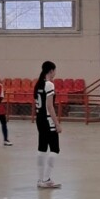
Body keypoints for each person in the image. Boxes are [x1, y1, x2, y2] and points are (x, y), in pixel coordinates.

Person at [34, 60, 62, 189]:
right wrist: (57, 123)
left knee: (42, 148)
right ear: (51, 71)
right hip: (47, 119)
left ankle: (41, 179)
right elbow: (50, 106)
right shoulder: (49, 84)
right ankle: (46, 179)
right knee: (55, 149)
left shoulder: (38, 84)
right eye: (55, 70)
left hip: (39, 119)